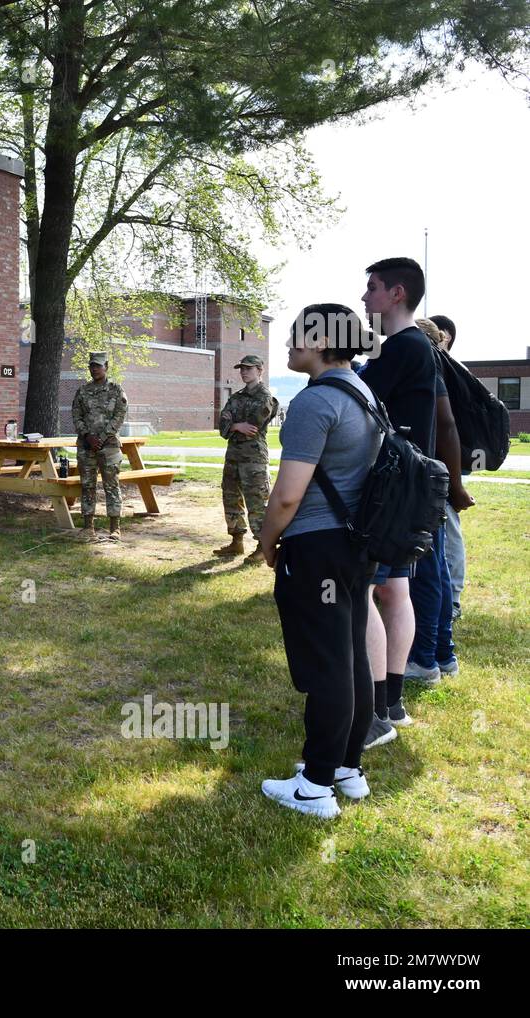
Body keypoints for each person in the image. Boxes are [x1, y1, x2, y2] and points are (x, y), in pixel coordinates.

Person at [259, 304, 382, 818]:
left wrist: (267, 541)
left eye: (296, 336)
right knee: (352, 656)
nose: (288, 344)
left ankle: (314, 786)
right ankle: (346, 769)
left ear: (321, 341)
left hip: (318, 548)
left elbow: (288, 495)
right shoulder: (363, 392)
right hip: (356, 546)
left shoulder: (314, 403)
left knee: (329, 665)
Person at [358, 259, 470, 736]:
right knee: (395, 590)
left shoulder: (401, 348)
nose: (364, 299)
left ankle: (377, 710)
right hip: (412, 487)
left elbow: (354, 399)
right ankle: (394, 702)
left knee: (368, 592)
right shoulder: (416, 348)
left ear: (397, 293)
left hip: (391, 490)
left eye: (372, 289)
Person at [214, 354, 280, 562]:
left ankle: (263, 546)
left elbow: (252, 425)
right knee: (231, 498)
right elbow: (222, 425)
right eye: (241, 368)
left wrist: (234, 424)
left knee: (257, 502)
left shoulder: (265, 397)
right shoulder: (236, 397)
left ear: (260, 371)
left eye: (248, 368)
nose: (243, 372)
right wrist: (234, 425)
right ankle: (236, 541)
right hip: (233, 456)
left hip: (253, 459)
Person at [426, 314, 466, 620]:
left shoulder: (445, 374)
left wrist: (455, 485)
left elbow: (449, 426)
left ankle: (451, 600)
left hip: (443, 468)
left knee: (447, 531)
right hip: (431, 469)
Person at [71, 351, 128, 541]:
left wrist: (101, 437)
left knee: (111, 486)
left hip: (109, 446)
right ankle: (88, 527)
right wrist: (87, 436)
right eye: (92, 366)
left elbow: (119, 416)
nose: (94, 369)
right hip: (87, 446)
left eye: (98, 365)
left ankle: (115, 528)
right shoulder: (82, 391)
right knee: (87, 486)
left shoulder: (115, 390)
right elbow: (76, 416)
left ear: (106, 367)